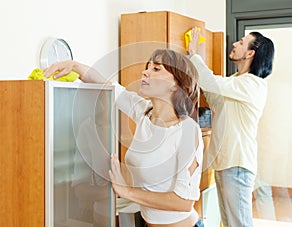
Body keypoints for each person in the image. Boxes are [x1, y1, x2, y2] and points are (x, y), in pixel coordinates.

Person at [44, 49, 205, 227]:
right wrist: (73, 65)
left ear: (176, 83)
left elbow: (183, 202)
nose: (145, 72)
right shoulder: (144, 113)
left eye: (156, 69)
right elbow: (108, 85)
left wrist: (126, 191)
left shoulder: (187, 131)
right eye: (147, 67)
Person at [188, 28, 274, 227]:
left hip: (237, 165)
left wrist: (194, 55)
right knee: (229, 223)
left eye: (242, 42)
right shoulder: (235, 82)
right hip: (225, 163)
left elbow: (211, 83)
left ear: (251, 53)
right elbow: (212, 93)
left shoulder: (253, 84)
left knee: (239, 223)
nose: (235, 44)